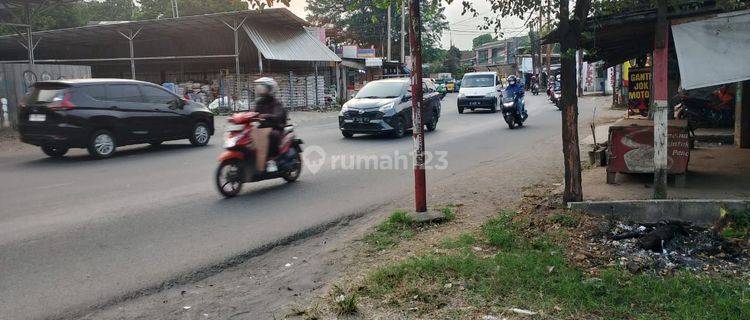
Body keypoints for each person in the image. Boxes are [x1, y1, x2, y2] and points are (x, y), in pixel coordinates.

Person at [253, 77, 287, 172]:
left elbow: (278, 115)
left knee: (272, 135)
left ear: (270, 89)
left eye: (263, 87)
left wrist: (266, 116)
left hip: (275, 127)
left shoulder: (275, 103)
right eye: (259, 87)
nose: (260, 89)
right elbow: (254, 114)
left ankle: (272, 160)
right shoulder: (259, 103)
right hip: (262, 128)